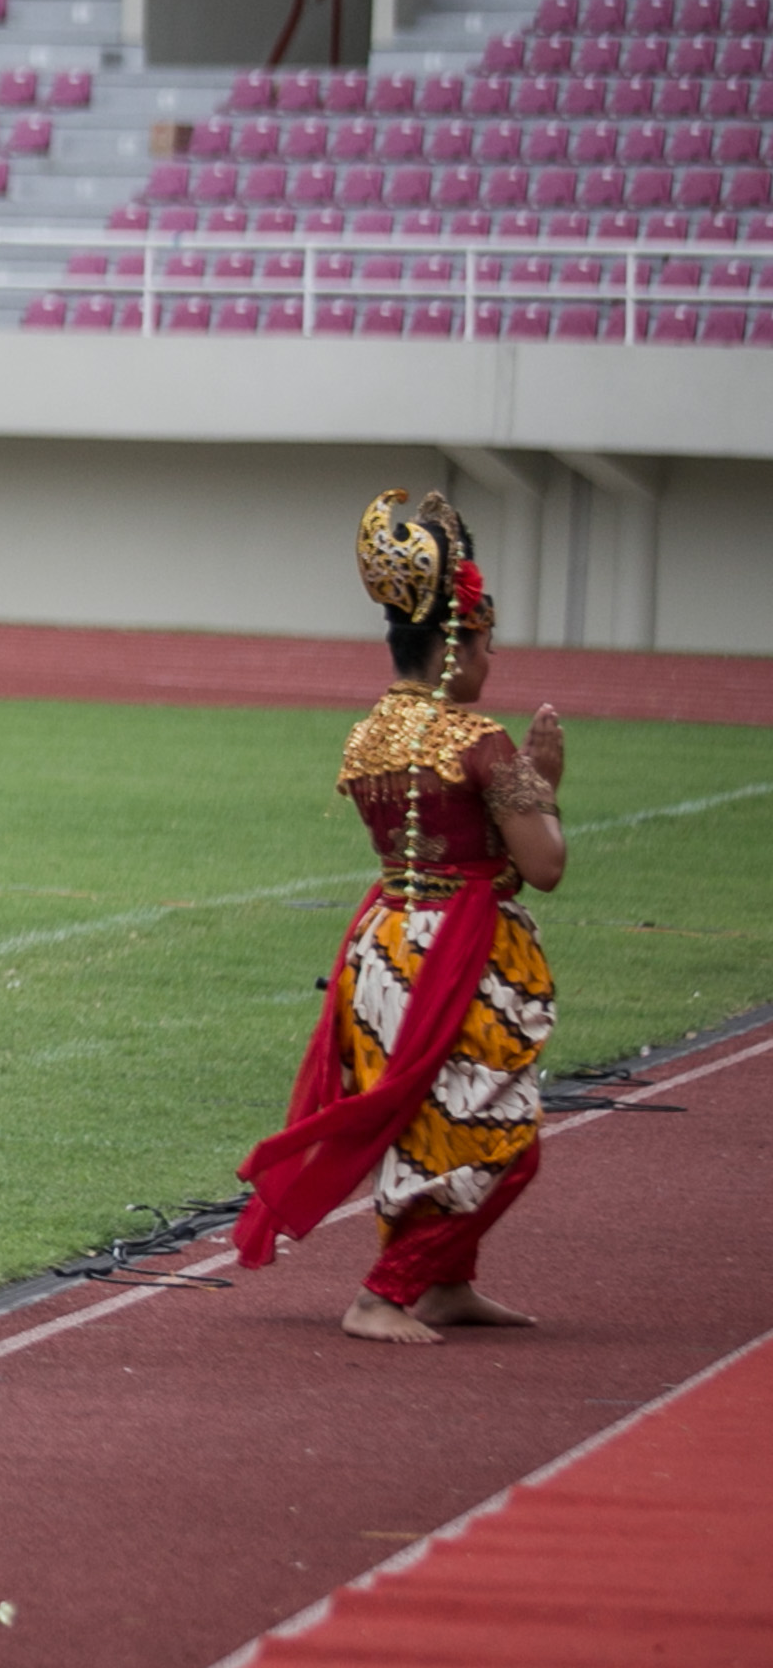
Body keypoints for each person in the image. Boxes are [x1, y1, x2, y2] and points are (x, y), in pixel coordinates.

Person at [233, 490, 566, 1344]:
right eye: (486, 642)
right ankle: (386, 1291)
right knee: (499, 1134)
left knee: (425, 1121)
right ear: (454, 642)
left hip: (383, 945)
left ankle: (447, 1279)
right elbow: (543, 865)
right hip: (458, 949)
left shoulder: (366, 737)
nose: (492, 661)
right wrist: (543, 782)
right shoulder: (478, 741)